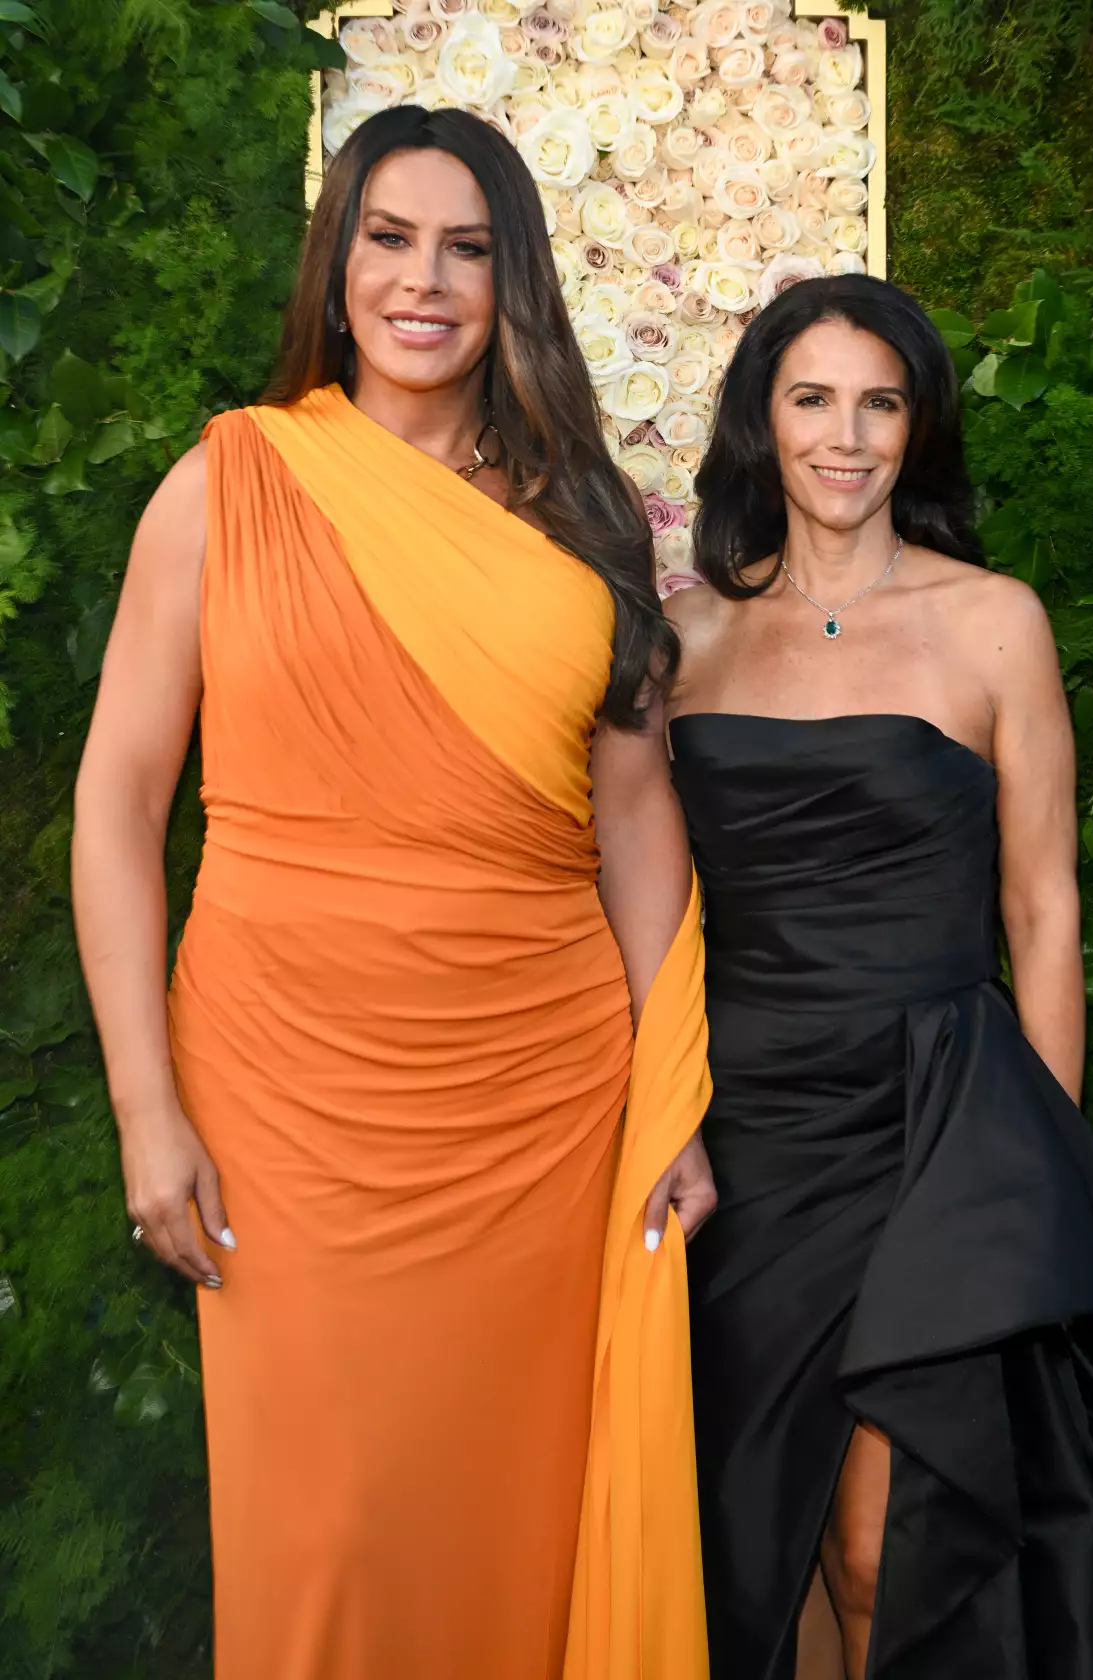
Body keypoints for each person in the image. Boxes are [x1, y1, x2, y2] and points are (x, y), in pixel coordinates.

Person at [72, 106, 716, 1680]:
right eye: (389, 237)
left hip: (541, 1111)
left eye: (466, 248)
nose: (423, 281)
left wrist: (677, 1099)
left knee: (519, 1519)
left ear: (513, 283)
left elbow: (636, 830)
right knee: (332, 1537)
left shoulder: (581, 520)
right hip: (282, 1101)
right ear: (337, 258)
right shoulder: (229, 484)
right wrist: (147, 1111)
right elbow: (115, 805)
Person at [665, 274, 1093, 1680]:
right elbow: (642, 908)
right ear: (760, 423)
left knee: (883, 1532)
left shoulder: (993, 623)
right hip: (754, 1138)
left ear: (919, 426)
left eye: (880, 402)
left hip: (939, 1125)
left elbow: (1043, 908)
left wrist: (1040, 1174)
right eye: (812, 400)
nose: (847, 438)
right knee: (763, 1538)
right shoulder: (688, 638)